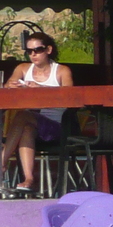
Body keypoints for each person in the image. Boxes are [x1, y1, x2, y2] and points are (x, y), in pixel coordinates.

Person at [1, 31, 73, 193]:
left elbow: (70, 96)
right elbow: (7, 86)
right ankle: (28, 179)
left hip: (57, 126)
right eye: (29, 51)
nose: (33, 54)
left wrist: (42, 89)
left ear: (48, 50)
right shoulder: (23, 68)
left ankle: (2, 162)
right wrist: (10, 87)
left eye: (38, 50)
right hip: (32, 126)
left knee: (23, 116)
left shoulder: (61, 71)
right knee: (26, 127)